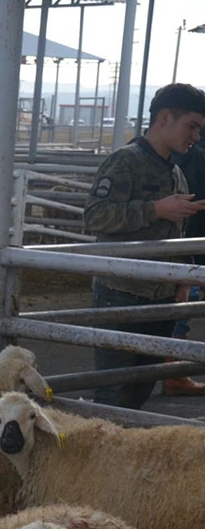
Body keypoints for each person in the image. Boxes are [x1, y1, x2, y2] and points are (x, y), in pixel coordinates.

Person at [84, 83, 205, 409]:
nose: (194, 136)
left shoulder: (175, 172)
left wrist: (181, 277)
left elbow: (174, 232)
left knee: (138, 390)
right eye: (190, 126)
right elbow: (95, 216)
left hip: (160, 295)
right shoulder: (125, 162)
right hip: (121, 291)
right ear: (165, 116)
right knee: (113, 393)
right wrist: (156, 208)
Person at [165, 138, 205, 394]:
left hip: (184, 241)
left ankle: (172, 374)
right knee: (181, 307)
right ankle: (174, 375)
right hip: (189, 241)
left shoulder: (182, 153)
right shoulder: (192, 156)